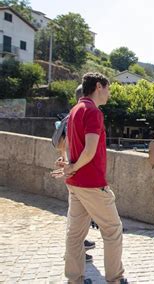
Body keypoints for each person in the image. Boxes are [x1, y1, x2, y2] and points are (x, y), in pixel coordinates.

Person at [54, 72, 127, 284]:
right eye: (108, 88)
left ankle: (74, 279)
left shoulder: (75, 109)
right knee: (113, 230)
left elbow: (67, 144)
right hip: (91, 183)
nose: (110, 93)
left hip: (75, 183)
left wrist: (69, 167)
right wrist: (73, 166)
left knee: (75, 235)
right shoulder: (93, 112)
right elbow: (90, 150)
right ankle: (115, 278)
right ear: (98, 86)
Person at [53, 84, 95, 263]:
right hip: (77, 171)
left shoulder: (72, 114)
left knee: (77, 215)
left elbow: (62, 143)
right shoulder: (80, 115)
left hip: (71, 169)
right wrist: (71, 165)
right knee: (78, 216)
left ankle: (79, 246)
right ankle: (75, 252)